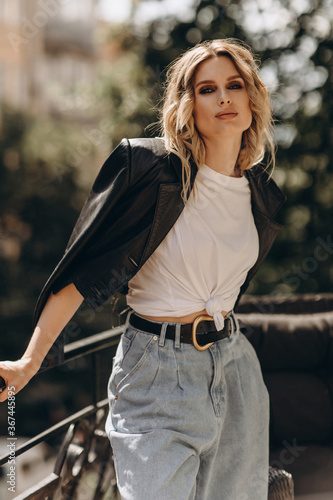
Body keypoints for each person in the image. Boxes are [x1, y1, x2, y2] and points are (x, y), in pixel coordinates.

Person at [0, 38, 286, 499]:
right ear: (188, 105)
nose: (224, 98)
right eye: (206, 89)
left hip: (236, 372)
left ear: (253, 97)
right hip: (156, 371)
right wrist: (31, 361)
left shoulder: (261, 194)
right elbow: (85, 272)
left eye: (234, 85)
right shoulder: (151, 171)